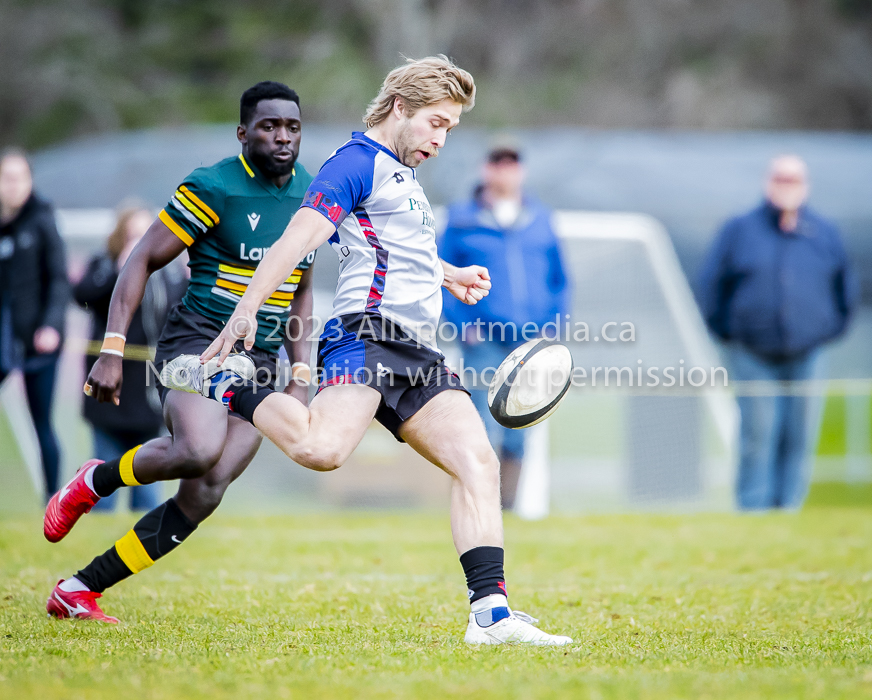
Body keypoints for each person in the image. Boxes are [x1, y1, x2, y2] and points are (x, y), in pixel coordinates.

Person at [105, 56, 571, 645]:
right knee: (321, 450)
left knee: (477, 462)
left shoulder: (401, 173)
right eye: (436, 122)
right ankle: (225, 381)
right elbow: (298, 236)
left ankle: (490, 615)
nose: (440, 138)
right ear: (401, 107)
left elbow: (390, 247)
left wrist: (447, 274)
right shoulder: (354, 163)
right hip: (366, 337)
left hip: (418, 351)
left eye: (449, 128)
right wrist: (247, 307)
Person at [43, 81, 316, 623]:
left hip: (260, 362)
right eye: (268, 126)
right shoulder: (213, 186)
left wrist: (299, 376)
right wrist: (114, 350)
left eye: (292, 127)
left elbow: (302, 288)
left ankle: (78, 588)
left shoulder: (312, 192)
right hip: (197, 344)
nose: (282, 138)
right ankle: (95, 480)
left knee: (206, 490)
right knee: (196, 449)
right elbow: (139, 259)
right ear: (243, 133)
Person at [698, 155, 856, 511]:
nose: (787, 186)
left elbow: (845, 286)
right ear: (768, 182)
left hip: (807, 350)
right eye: (780, 179)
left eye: (794, 179)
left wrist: (827, 329)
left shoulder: (824, 231)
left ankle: (789, 506)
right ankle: (753, 507)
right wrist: (728, 332)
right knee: (759, 431)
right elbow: (711, 285)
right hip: (752, 350)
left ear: (806, 185)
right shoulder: (740, 229)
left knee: (799, 433)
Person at [439, 142, 569, 509]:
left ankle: (506, 507)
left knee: (519, 426)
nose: (505, 170)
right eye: (498, 162)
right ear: (486, 169)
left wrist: (554, 325)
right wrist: (463, 325)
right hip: (483, 340)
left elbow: (561, 279)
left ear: (521, 171)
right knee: (482, 422)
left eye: (512, 163)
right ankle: (479, 503)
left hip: (529, 341)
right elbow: (439, 274)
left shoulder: (540, 218)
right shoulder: (462, 218)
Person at [74, 203, 188, 512]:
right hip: (109, 389)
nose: (139, 243)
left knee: (146, 485)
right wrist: (120, 271)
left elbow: (180, 313)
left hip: (149, 392)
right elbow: (82, 296)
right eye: (132, 235)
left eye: (145, 235)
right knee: (104, 475)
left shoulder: (168, 274)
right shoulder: (103, 265)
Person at [0, 148, 69, 502]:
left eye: (19, 177)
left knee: (42, 421)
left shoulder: (42, 219)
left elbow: (59, 279)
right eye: (6, 178)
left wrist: (51, 326)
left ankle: (53, 499)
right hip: (3, 337)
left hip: (38, 340)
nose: (12, 186)